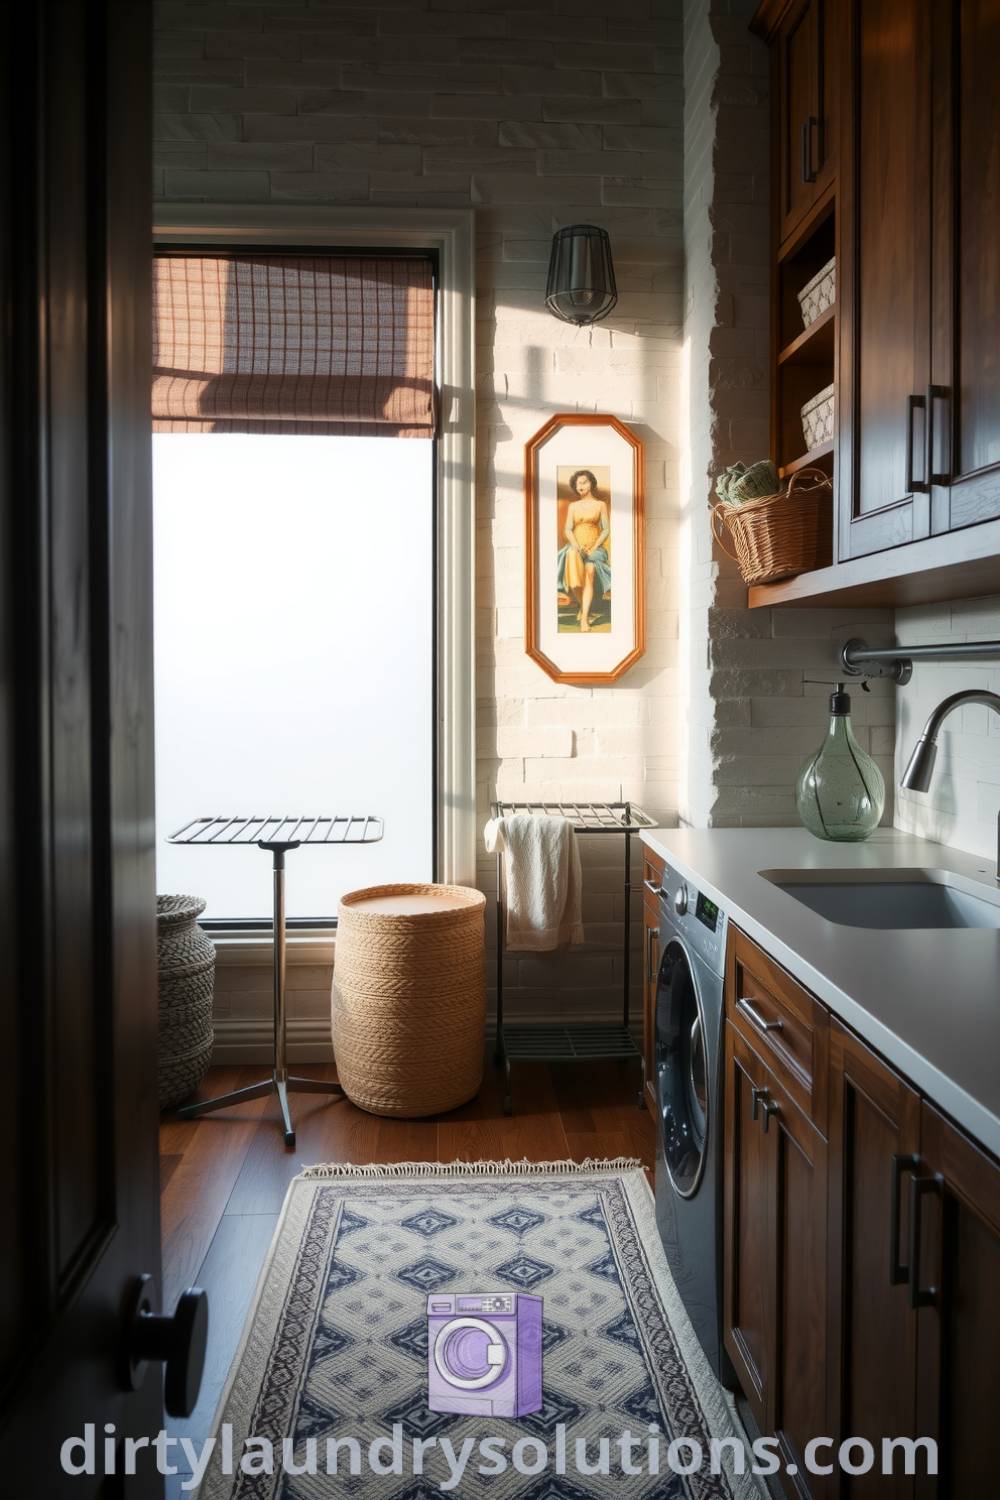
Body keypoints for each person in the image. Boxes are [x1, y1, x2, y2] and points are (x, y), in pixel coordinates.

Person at [556, 469, 611, 632]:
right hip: (576, 546)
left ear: (591, 483)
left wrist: (593, 547)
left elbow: (606, 530)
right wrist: (576, 546)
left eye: (584, 482)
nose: (580, 486)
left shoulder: (600, 505)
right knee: (572, 566)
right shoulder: (573, 506)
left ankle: (584, 619)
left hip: (595, 548)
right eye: (578, 483)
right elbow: (567, 529)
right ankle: (583, 607)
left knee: (590, 571)